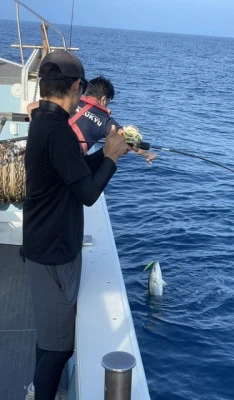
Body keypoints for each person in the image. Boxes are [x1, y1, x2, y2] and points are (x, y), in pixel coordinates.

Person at [23, 49, 130, 400]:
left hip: (47, 247)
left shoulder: (46, 123)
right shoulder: (58, 132)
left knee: (49, 339)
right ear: (74, 86)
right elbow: (86, 192)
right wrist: (112, 158)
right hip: (53, 255)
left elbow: (73, 170)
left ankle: (37, 389)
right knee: (57, 350)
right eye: (80, 88)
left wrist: (108, 151)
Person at [68, 75, 157, 162]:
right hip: (69, 158)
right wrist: (148, 154)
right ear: (103, 99)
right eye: (108, 102)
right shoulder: (107, 122)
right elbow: (129, 141)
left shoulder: (71, 101)